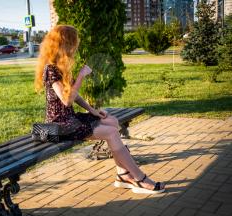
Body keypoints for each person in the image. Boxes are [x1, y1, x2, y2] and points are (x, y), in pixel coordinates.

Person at [34, 25, 165, 194]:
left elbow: (74, 95)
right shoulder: (51, 68)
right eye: (74, 42)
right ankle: (140, 178)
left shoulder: (62, 65)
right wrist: (81, 75)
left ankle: (122, 174)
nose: (76, 46)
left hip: (70, 118)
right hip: (60, 125)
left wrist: (92, 110)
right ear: (64, 43)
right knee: (111, 132)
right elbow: (66, 100)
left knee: (112, 121)